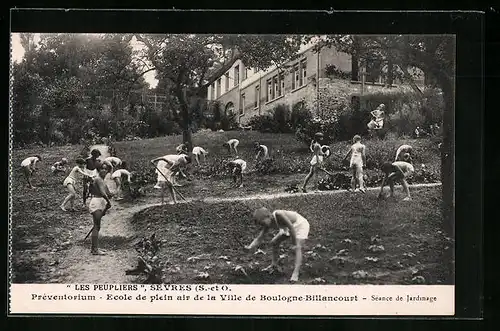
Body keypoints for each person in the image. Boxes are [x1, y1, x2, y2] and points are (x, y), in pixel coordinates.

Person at [244, 207, 310, 283]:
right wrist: (250, 247)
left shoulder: (279, 214)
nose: (262, 225)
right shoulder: (267, 223)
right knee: (274, 242)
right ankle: (274, 265)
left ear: (268, 216)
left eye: (262, 223)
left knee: (298, 248)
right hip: (287, 227)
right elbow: (259, 238)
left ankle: (296, 273)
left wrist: (294, 243)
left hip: (299, 225)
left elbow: (291, 227)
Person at [88, 164, 113, 255]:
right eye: (102, 168)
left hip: (101, 203)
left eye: (106, 169)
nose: (104, 170)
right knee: (96, 226)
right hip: (96, 202)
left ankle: (94, 248)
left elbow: (108, 193)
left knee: (97, 226)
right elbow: (103, 193)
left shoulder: (102, 181)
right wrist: (108, 201)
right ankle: (95, 249)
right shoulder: (98, 179)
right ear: (98, 170)